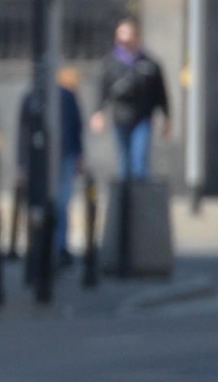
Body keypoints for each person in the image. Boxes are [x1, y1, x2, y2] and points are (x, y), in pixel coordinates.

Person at [90, 17, 170, 181]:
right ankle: (125, 203)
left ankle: (140, 203)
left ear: (137, 36)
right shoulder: (111, 63)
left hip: (143, 118)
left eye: (129, 33)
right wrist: (98, 113)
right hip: (121, 117)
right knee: (124, 166)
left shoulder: (150, 64)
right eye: (121, 34)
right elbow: (102, 90)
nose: (124, 38)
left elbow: (161, 94)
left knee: (139, 164)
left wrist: (167, 118)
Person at [20, 69, 87, 265]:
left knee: (61, 204)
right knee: (45, 206)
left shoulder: (65, 97)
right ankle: (45, 249)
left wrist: (79, 155)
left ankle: (58, 248)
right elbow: (24, 133)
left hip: (64, 157)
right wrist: (22, 164)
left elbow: (76, 127)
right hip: (43, 159)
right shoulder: (32, 98)